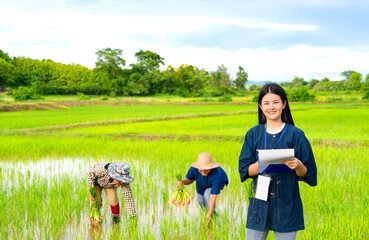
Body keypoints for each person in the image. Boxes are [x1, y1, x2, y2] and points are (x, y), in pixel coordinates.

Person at [238, 83, 317, 240]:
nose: (271, 107)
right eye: (266, 103)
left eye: (275, 102)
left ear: (284, 104)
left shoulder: (296, 135)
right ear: (260, 106)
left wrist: (298, 165)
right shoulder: (253, 134)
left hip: (287, 203)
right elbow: (245, 170)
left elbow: (309, 173)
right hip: (258, 203)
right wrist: (263, 163)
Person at [176, 152, 229, 224]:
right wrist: (182, 182)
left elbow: (213, 196)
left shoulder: (217, 173)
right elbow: (190, 180)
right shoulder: (194, 169)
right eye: (201, 169)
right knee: (200, 201)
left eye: (206, 169)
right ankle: (212, 214)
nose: (203, 171)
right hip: (202, 183)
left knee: (207, 194)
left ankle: (211, 217)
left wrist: (209, 215)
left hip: (218, 182)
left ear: (211, 167)